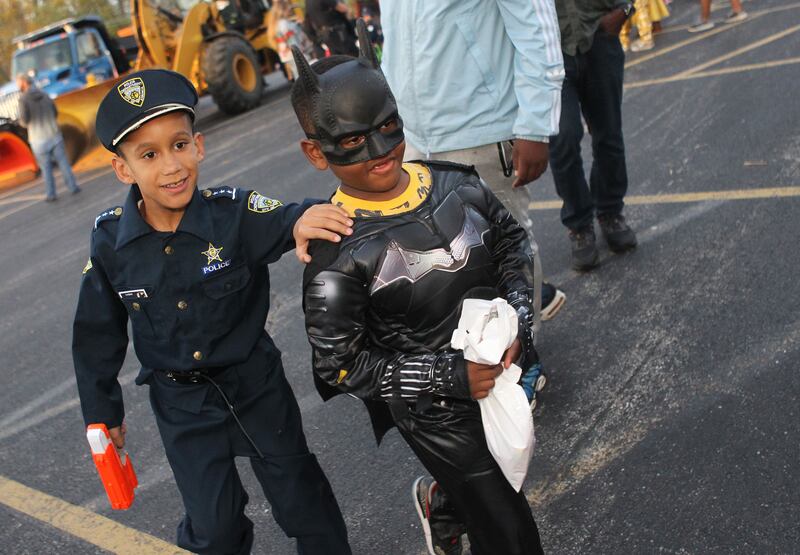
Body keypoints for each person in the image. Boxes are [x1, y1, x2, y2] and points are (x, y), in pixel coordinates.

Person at [72, 69, 353, 555]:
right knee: (215, 529)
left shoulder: (235, 212)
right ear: (124, 170)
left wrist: (309, 217)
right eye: (149, 155)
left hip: (255, 386)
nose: (171, 167)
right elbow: (97, 333)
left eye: (179, 145)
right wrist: (102, 412)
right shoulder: (110, 242)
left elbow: (289, 217)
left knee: (302, 503)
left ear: (199, 145)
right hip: (182, 407)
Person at [292, 27, 545, 555]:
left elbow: (511, 245)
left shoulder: (458, 184)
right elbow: (341, 364)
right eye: (354, 141)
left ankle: (446, 509)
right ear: (317, 153)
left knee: (500, 482)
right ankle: (460, 505)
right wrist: (449, 375)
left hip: (502, 373)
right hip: (434, 411)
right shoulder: (335, 254)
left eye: (388, 127)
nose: (379, 151)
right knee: (510, 527)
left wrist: (519, 317)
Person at [379, 0, 566, 324]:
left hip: (481, 131)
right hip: (411, 139)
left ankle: (522, 354)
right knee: (440, 264)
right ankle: (477, 360)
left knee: (506, 252)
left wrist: (535, 126)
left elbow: (537, 30)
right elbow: (394, 41)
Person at [549, 0, 639, 271]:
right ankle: (579, 225)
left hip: (600, 39)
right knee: (563, 138)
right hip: (549, 55)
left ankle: (610, 212)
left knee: (608, 135)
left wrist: (624, 10)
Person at [16, 73, 80, 201]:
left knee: (46, 168)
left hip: (38, 139)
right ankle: (73, 186)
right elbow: (55, 112)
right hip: (54, 134)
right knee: (63, 162)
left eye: (18, 82)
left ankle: (51, 194)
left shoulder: (23, 100)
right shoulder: (44, 94)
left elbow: (24, 120)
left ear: (23, 82)